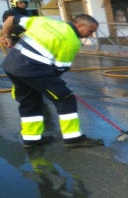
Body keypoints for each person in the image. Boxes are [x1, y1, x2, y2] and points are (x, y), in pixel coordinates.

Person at [0, 14, 104, 148]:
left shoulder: (44, 22)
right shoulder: (71, 40)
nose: (91, 35)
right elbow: (59, 69)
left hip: (11, 65)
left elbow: (10, 19)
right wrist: (53, 88)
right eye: (90, 31)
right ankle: (73, 138)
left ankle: (31, 139)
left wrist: (6, 36)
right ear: (79, 25)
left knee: (29, 101)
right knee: (65, 98)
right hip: (32, 69)